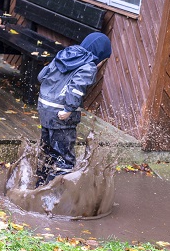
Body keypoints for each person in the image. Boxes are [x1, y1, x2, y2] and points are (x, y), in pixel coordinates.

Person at [35, 32, 112, 188]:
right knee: (65, 158)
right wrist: (69, 108)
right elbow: (75, 89)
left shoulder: (65, 54)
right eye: (104, 60)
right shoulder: (88, 66)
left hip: (44, 107)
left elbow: (42, 76)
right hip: (62, 114)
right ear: (99, 56)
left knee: (47, 149)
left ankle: (39, 183)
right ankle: (52, 193)